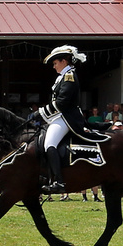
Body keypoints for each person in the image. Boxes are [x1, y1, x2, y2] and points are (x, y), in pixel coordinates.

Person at [37, 45, 85, 193]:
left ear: (63, 61)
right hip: (59, 117)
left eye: (55, 63)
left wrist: (40, 113)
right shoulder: (64, 76)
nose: (54, 66)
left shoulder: (69, 76)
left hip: (67, 118)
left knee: (49, 144)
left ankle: (59, 181)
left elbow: (62, 103)